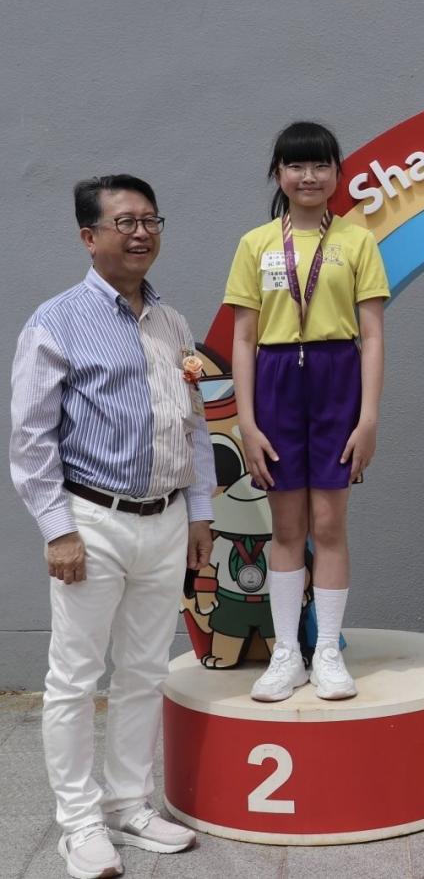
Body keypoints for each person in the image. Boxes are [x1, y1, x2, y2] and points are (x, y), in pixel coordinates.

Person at [10, 174, 215, 877]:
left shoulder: (172, 323)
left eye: (150, 219)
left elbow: (193, 425)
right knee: (74, 677)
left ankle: (130, 803)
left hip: (166, 520)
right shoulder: (56, 321)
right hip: (91, 521)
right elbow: (31, 438)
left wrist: (200, 512)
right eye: (124, 221)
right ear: (88, 236)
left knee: (144, 671)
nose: (141, 233)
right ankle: (78, 823)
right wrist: (57, 529)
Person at [224, 122, 388, 702]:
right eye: (296, 165)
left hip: (337, 378)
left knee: (329, 525)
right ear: (278, 174)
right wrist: (247, 422)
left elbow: (372, 336)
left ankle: (328, 653)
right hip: (275, 382)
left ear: (338, 173)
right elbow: (243, 339)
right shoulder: (255, 244)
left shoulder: (357, 243)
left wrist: (368, 418)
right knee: (288, 528)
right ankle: (287, 653)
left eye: (320, 165)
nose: (309, 176)